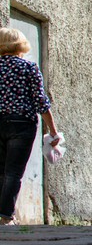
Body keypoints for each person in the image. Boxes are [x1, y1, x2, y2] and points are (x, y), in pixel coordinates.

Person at [0, 28, 60, 226]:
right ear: (21, 45)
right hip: (22, 124)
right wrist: (52, 130)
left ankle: (6, 213)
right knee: (13, 172)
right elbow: (41, 102)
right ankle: (6, 216)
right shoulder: (29, 67)